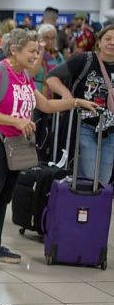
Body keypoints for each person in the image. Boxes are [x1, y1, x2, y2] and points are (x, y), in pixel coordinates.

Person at [0, 29, 90, 270]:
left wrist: (75, 102)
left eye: (38, 51)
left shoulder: (23, 76)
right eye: (32, 51)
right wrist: (16, 121)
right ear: (14, 50)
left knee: (4, 195)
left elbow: (45, 104)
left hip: (15, 144)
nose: (36, 56)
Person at [46, 25, 114, 185]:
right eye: (108, 39)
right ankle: (81, 206)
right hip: (84, 126)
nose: (112, 43)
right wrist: (67, 95)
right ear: (99, 42)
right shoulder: (85, 60)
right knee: (89, 176)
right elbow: (51, 77)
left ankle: (95, 208)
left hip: (111, 130)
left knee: (103, 179)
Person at [33, 23, 64, 95]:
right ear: (39, 38)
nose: (50, 41)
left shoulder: (58, 56)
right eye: (46, 38)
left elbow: (64, 76)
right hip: (37, 93)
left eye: (52, 38)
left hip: (54, 94)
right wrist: (41, 52)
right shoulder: (34, 53)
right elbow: (32, 73)